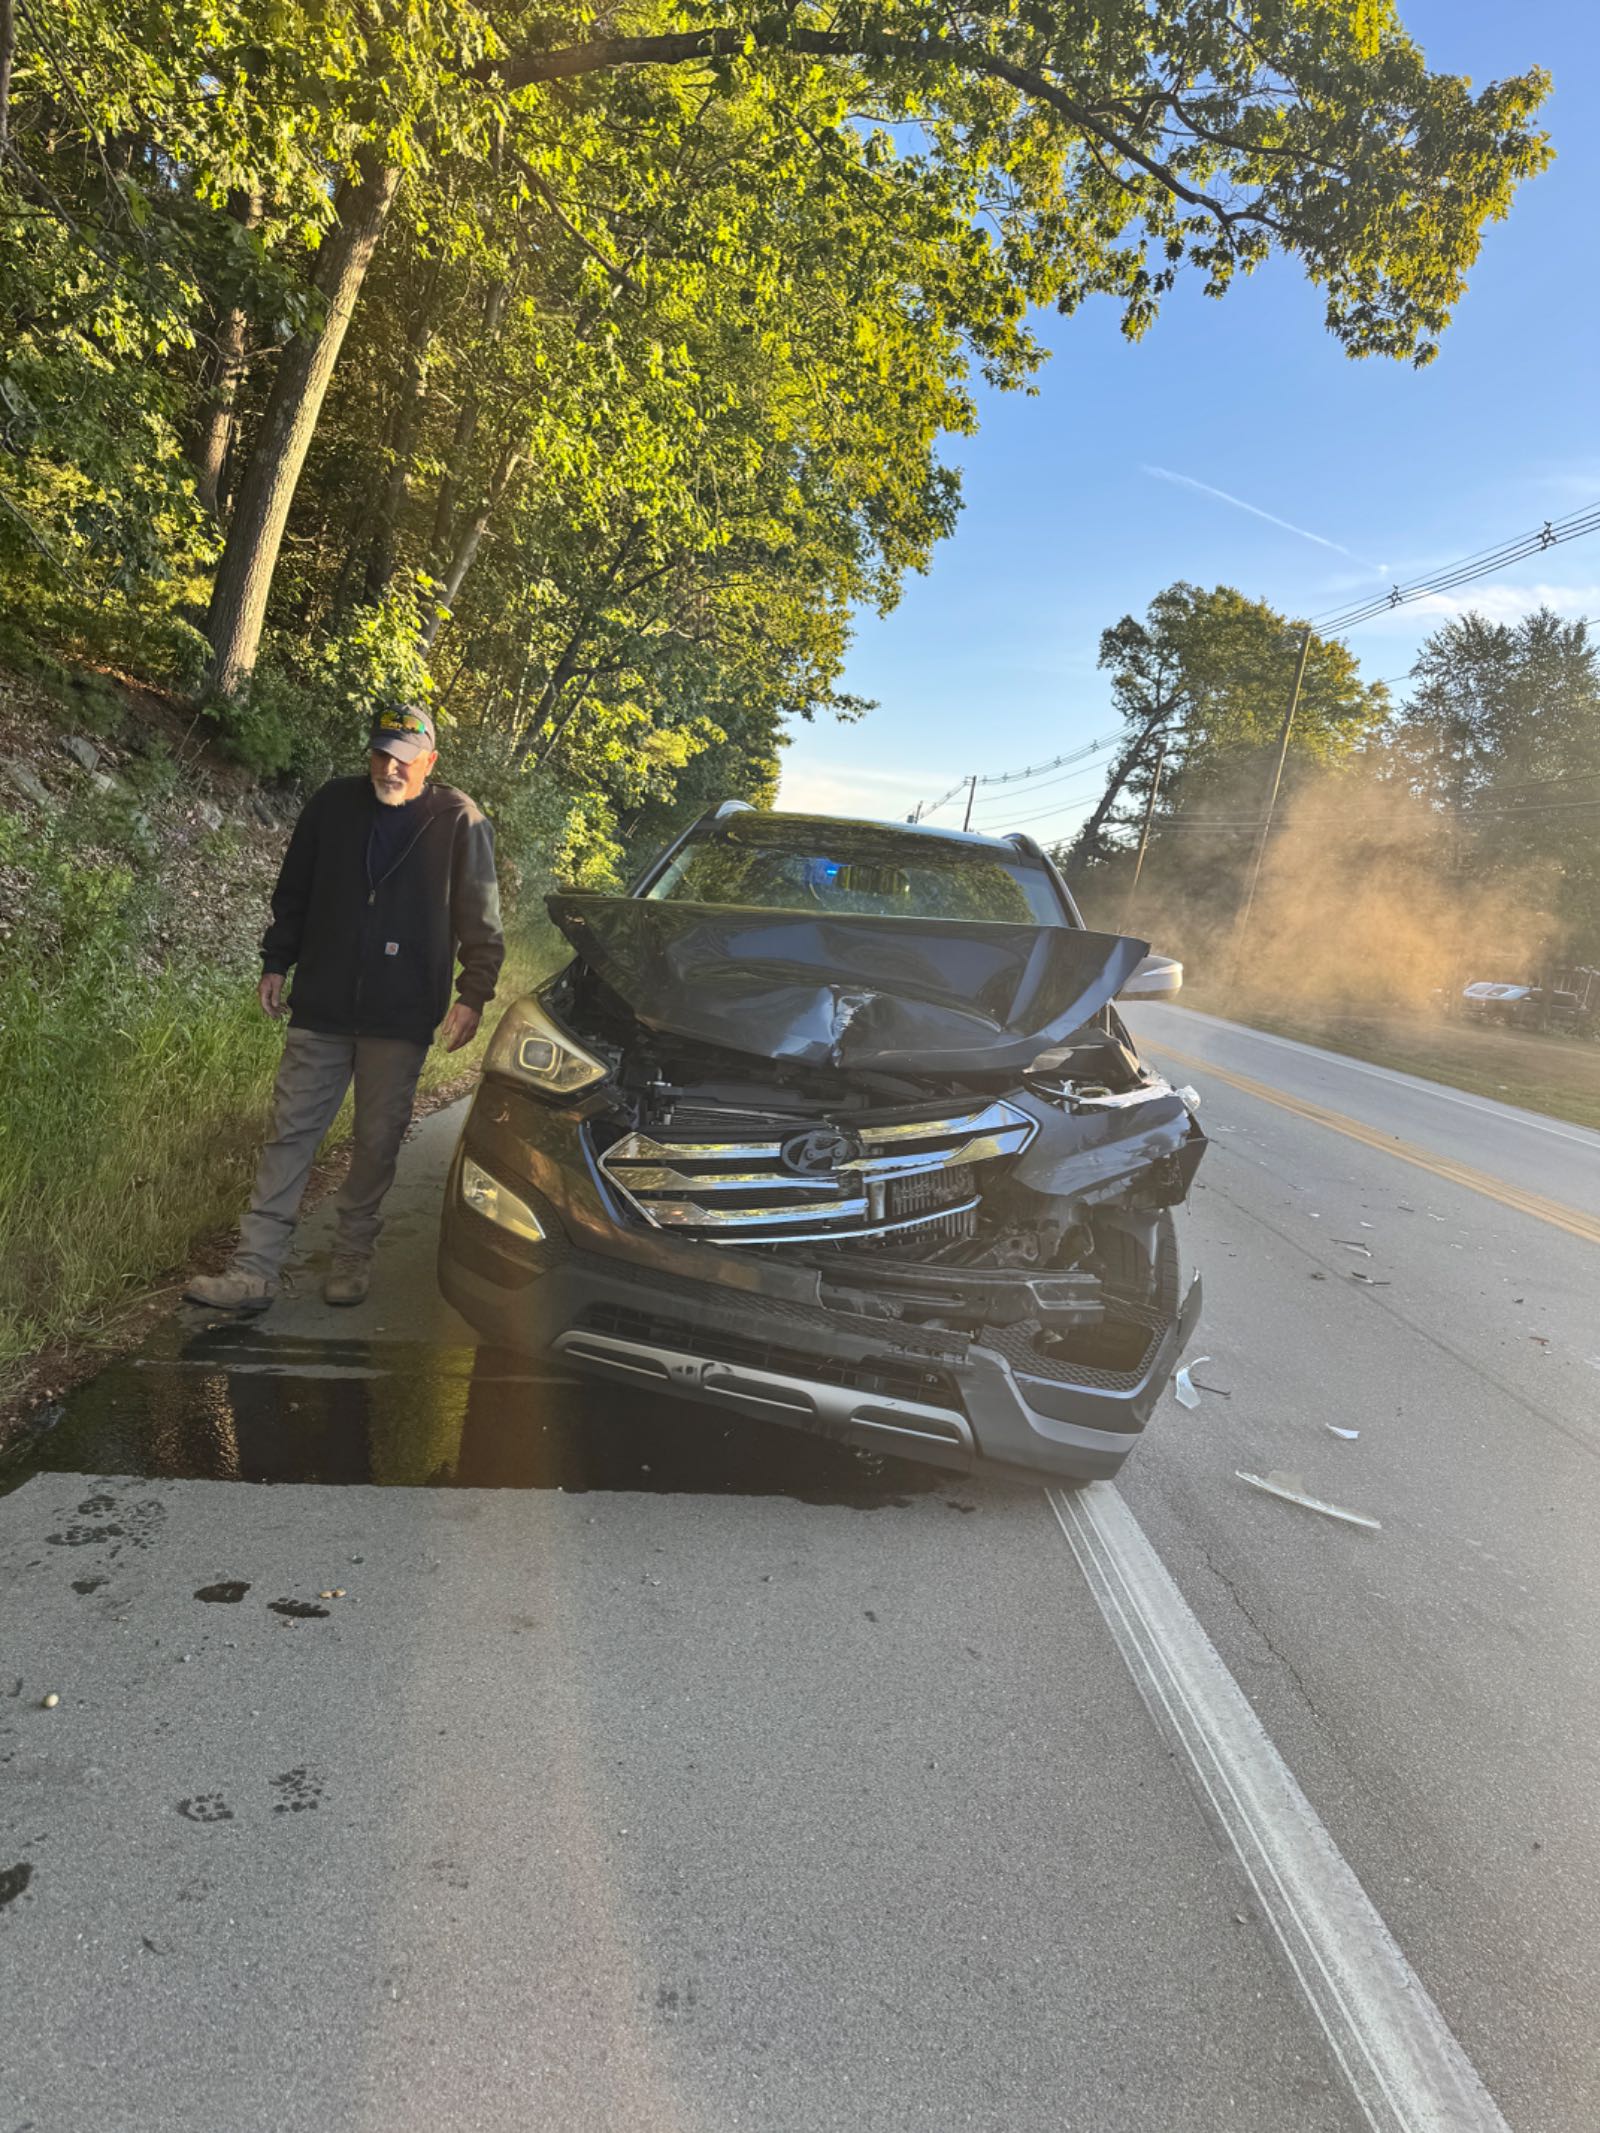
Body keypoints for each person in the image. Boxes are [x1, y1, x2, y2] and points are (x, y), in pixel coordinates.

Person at [185, 703, 504, 1313]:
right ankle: (253, 1272)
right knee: (291, 1134)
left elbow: (481, 920)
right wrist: (276, 960)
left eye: (403, 759)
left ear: (429, 762)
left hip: (401, 1015)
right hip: (323, 1005)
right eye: (381, 754)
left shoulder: (459, 820)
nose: (389, 768)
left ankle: (353, 1253)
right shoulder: (332, 805)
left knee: (376, 1141)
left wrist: (473, 995)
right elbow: (294, 891)